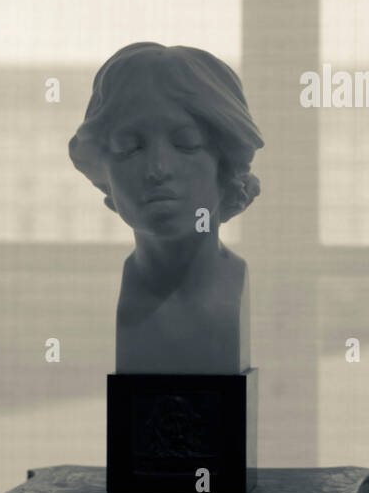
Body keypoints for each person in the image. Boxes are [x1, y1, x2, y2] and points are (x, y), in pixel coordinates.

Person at [69, 42, 263, 373]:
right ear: (104, 173)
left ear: (225, 165)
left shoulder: (228, 296)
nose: (158, 167)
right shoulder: (132, 301)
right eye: (130, 147)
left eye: (186, 144)